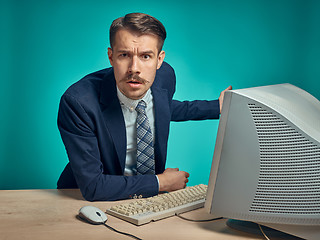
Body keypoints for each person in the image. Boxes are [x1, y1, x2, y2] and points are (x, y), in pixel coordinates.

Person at [57, 12, 232, 201]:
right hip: (83, 200)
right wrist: (162, 183)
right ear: (111, 56)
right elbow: (94, 187)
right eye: (124, 55)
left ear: (159, 60)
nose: (134, 68)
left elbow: (164, 108)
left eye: (146, 56)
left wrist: (217, 107)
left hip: (146, 200)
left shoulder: (165, 78)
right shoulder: (79, 103)